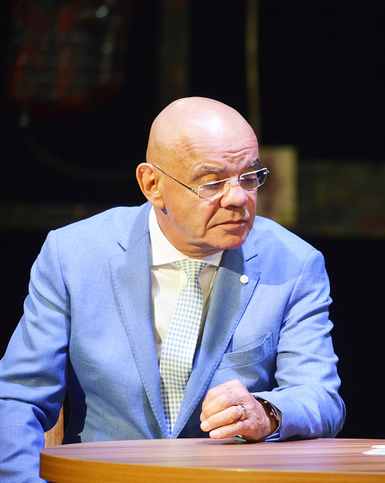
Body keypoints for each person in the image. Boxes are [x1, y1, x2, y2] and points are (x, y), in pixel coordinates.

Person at [0, 97, 345, 482]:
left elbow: (320, 396)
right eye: (212, 182)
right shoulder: (74, 255)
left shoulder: (293, 263)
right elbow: (19, 397)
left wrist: (267, 413)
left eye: (250, 177)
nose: (238, 198)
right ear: (153, 184)